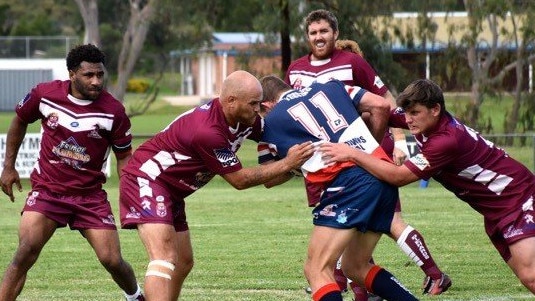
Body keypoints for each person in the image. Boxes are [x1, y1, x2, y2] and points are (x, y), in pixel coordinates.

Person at [285, 9, 450, 298]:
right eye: (313, 32)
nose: (319, 37)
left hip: (358, 160)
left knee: (375, 223)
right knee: (351, 234)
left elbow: (386, 103)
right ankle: (354, 287)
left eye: (324, 31)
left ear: (335, 33)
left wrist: (391, 141)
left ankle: (337, 284)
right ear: (307, 36)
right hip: (322, 163)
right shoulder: (295, 70)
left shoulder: (353, 63)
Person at [320, 78, 535, 295]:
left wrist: (352, 153)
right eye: (406, 112)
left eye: (414, 113)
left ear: (435, 109)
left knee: (530, 276)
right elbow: (379, 111)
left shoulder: (446, 140)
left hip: (518, 200)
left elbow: (399, 176)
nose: (408, 120)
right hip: (496, 211)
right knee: (527, 277)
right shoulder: (427, 122)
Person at [118, 70, 314, 300]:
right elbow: (239, 180)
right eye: (253, 103)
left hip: (172, 190)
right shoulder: (207, 131)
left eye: (259, 103)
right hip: (147, 179)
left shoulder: (244, 118)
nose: (257, 109)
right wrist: (289, 162)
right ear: (231, 101)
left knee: (183, 261)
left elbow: (277, 136)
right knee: (163, 257)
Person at [0, 44, 144, 300]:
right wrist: (8, 166)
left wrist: (131, 195)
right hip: (48, 192)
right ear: (72, 74)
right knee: (25, 252)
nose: (96, 81)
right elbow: (20, 120)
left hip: (90, 197)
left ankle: (134, 296)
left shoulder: (114, 111)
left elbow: (124, 157)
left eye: (100, 74)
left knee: (111, 260)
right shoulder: (45, 95)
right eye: (89, 75)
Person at [258, 75, 418, 301]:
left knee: (317, 269)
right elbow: (381, 105)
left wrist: (292, 165)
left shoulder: (270, 120)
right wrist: (365, 152)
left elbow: (268, 176)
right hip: (381, 175)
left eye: (259, 110)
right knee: (355, 267)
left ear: (266, 104)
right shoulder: (332, 85)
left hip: (349, 184)